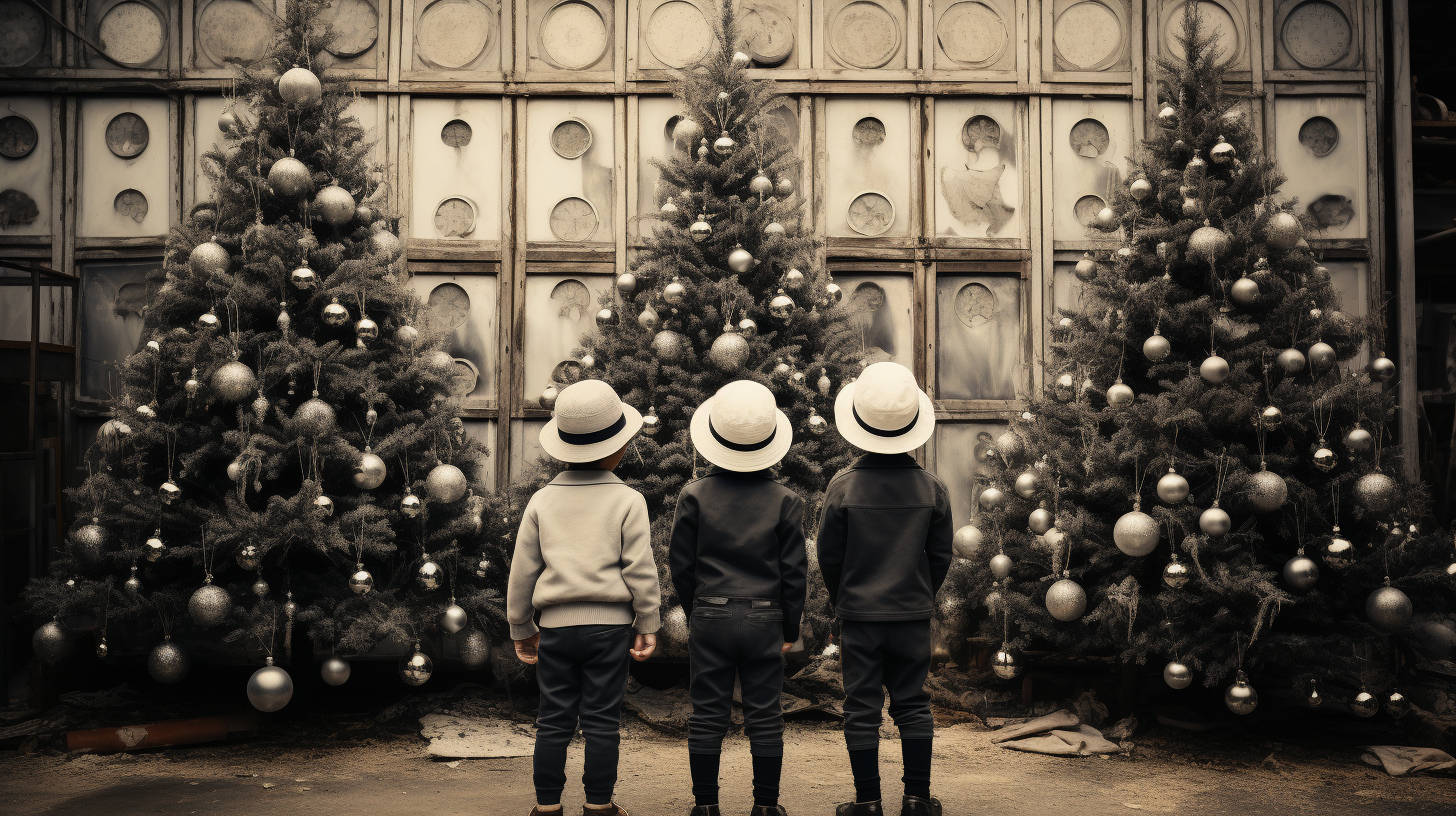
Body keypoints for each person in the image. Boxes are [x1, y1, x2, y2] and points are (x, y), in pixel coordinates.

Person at [508, 379, 662, 816]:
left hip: (555, 630)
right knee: (601, 721)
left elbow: (523, 571)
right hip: (610, 630)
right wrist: (647, 622)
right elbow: (640, 568)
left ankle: (547, 807)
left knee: (553, 720)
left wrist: (521, 626)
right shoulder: (629, 500)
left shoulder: (542, 501)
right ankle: (599, 806)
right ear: (620, 448)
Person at [816, 362, 954, 816]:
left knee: (861, 708)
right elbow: (940, 557)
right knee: (913, 703)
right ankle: (917, 799)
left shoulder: (841, 488)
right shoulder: (932, 489)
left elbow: (829, 557)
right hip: (912, 615)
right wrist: (919, 594)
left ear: (857, 424)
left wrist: (845, 600)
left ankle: (867, 802)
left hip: (859, 615)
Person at [670, 380, 806, 816]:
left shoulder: (693, 496)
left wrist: (697, 612)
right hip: (766, 617)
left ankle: (705, 807)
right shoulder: (786, 500)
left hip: (711, 613)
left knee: (707, 714)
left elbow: (681, 565)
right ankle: (766, 807)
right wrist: (789, 626)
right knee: (765, 714)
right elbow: (794, 572)